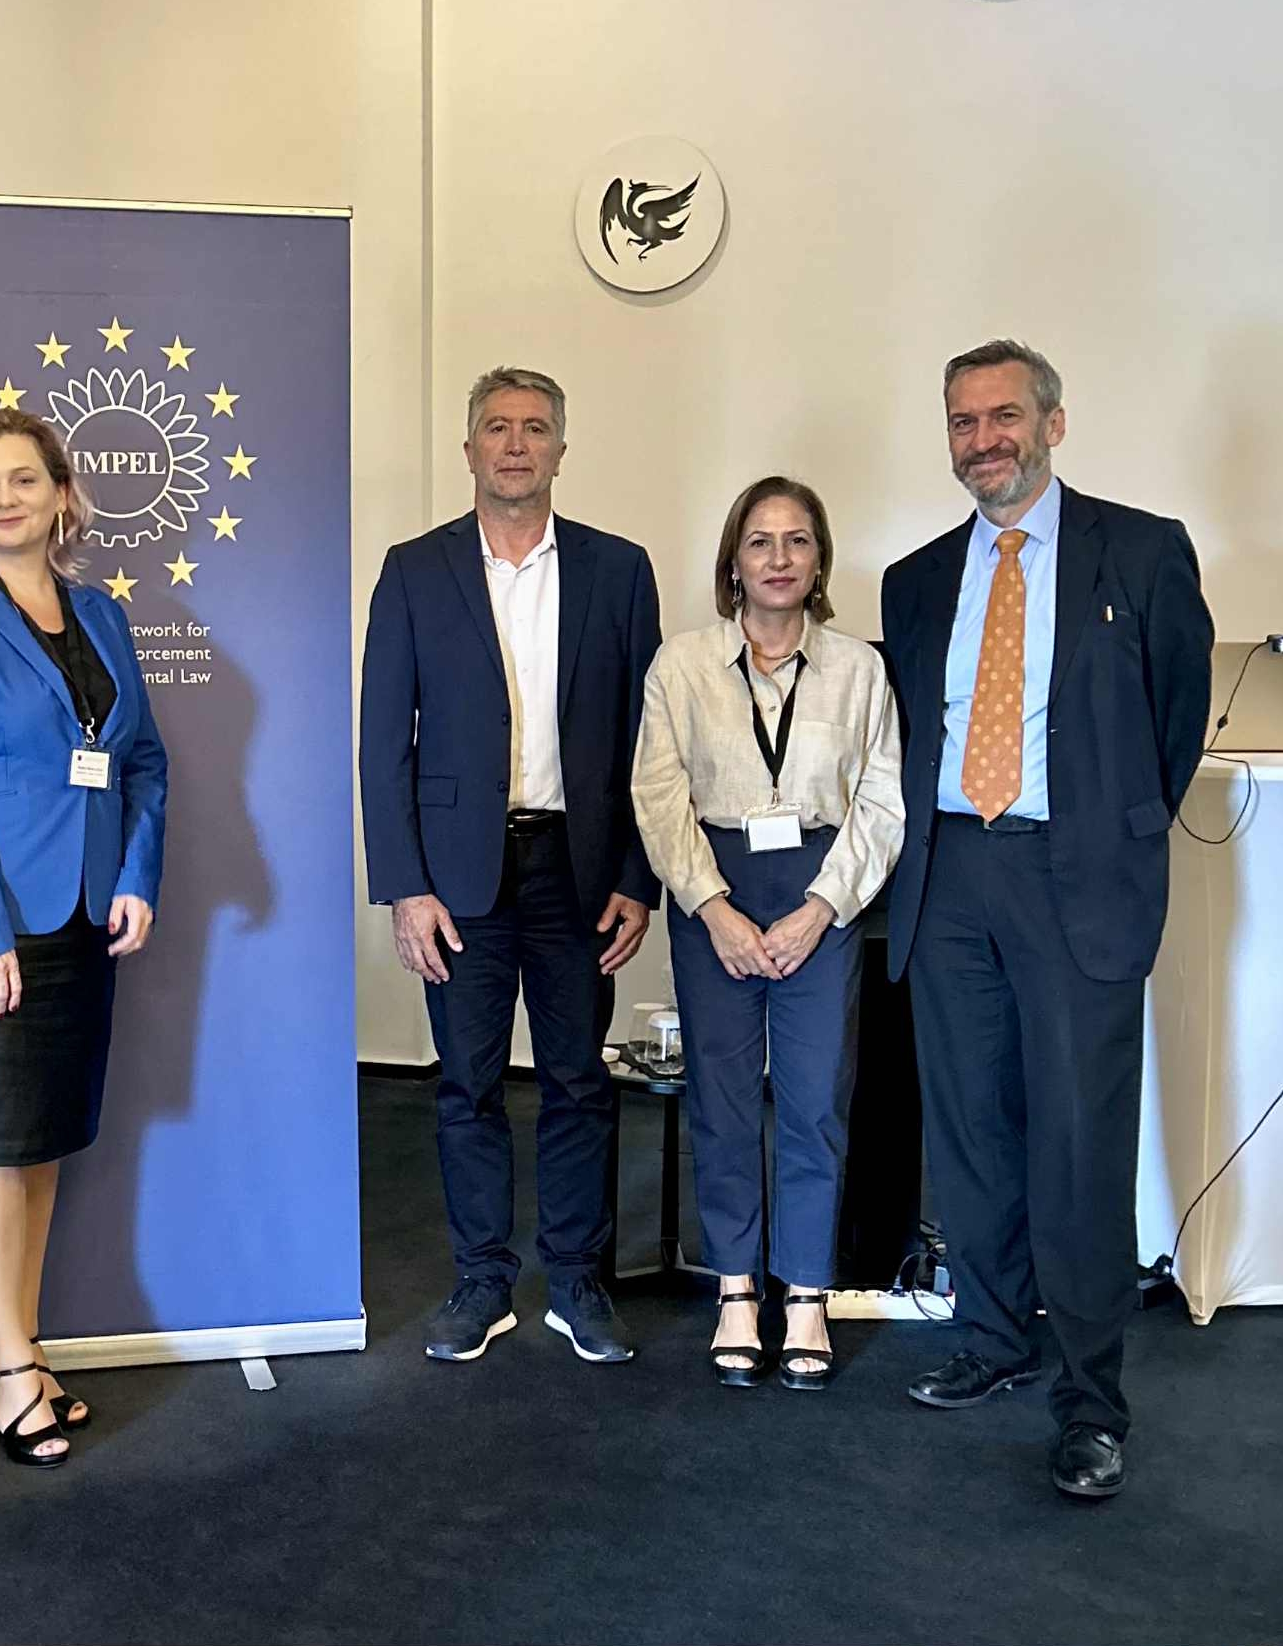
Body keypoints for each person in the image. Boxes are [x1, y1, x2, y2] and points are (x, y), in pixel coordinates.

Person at [881, 340, 1212, 1498]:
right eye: (962, 421)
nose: (983, 439)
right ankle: (990, 1336)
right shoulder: (913, 579)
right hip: (948, 873)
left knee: (1078, 1140)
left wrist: (1105, 834)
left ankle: (1087, 1398)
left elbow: (1172, 720)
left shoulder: (1142, 550)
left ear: (1051, 424)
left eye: (1003, 415)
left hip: (1073, 878)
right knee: (970, 1126)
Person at [360, 366, 661, 1365]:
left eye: (535, 427)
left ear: (561, 450)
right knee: (467, 1085)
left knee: (578, 1081)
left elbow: (646, 741)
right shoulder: (414, 569)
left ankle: (576, 1281)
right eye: (497, 426)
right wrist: (405, 885)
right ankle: (481, 1280)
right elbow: (382, 742)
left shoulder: (619, 570)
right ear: (469, 450)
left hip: (579, 871)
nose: (516, 443)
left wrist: (638, 876)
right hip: (458, 877)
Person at [0, 408, 168, 1467]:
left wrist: (135, 876)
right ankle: (8, 1362)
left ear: (61, 493)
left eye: (23, 478)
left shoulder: (101, 613)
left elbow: (142, 760)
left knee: (42, 1139)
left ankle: (22, 1337)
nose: (4, 498)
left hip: (86, 917)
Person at [632, 477, 904, 1390]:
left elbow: (882, 801)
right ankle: (738, 1289)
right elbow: (657, 794)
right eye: (760, 542)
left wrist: (821, 908)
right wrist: (713, 907)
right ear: (734, 563)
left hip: (823, 893)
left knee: (816, 1098)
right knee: (721, 1099)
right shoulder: (681, 666)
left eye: (796, 541)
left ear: (819, 560)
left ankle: (807, 1293)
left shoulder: (858, 670)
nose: (778, 558)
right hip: (714, 888)